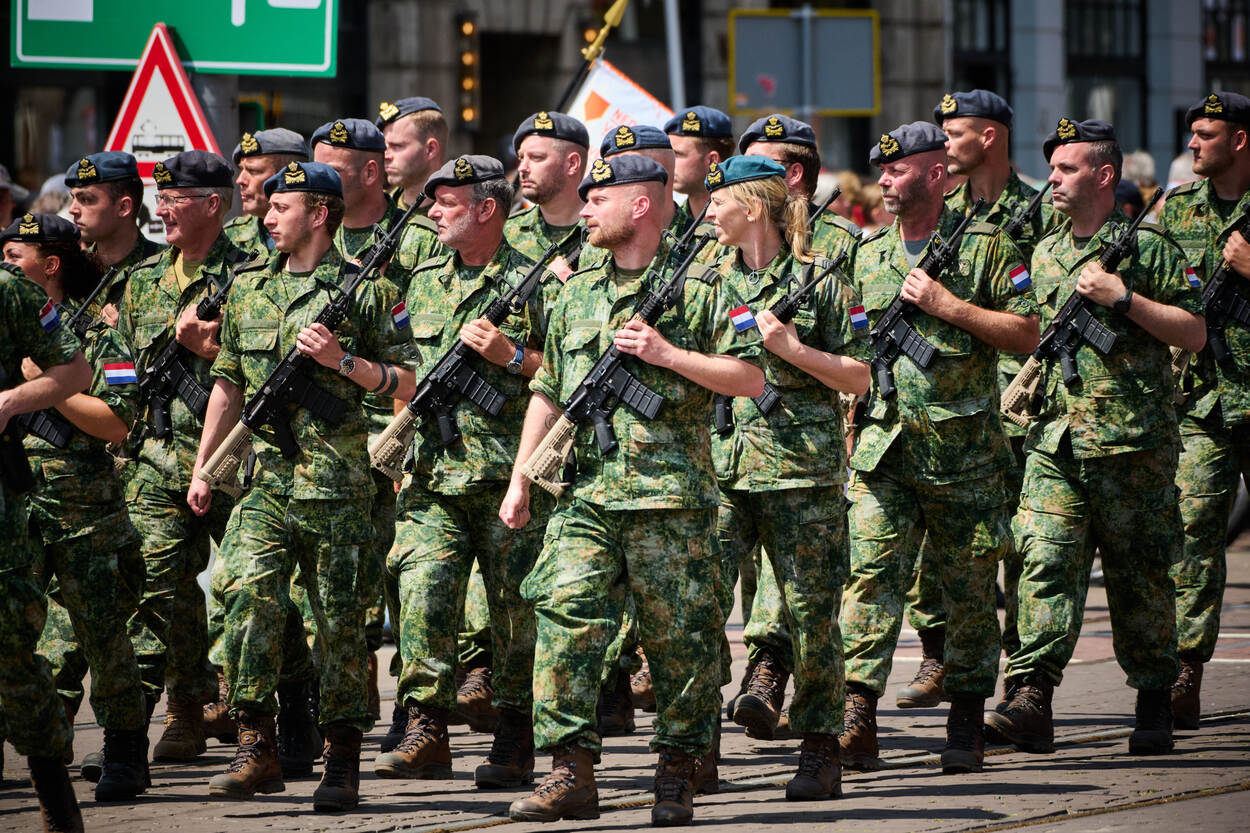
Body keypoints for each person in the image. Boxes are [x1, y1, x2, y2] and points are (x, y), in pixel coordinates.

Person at [499, 154, 764, 826]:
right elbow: (549, 389)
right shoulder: (575, 290)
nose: (584, 208)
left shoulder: (706, 283)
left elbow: (752, 377)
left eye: (598, 198)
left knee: (680, 644)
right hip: (586, 495)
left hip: (671, 500)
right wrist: (522, 475)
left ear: (640, 205)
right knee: (562, 621)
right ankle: (570, 771)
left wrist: (667, 354)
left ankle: (677, 769)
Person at [187, 160, 418, 810]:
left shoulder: (367, 291)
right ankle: (256, 740)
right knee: (248, 595)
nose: (264, 216)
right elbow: (227, 384)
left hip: (338, 488)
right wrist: (207, 467)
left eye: (279, 208)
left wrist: (341, 362)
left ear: (318, 213)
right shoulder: (249, 290)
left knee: (340, 624)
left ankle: (341, 754)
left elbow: (410, 381)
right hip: (265, 484)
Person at [986, 118, 1205, 757]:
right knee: (1043, 565)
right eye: (1051, 168)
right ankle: (1031, 697)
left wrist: (1124, 298)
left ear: (1104, 176)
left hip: (1134, 445)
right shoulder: (1046, 252)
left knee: (1141, 579)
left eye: (1067, 168)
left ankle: (1152, 700)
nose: (1052, 178)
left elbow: (1193, 333)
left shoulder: (1151, 249)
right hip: (1057, 445)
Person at [838, 121, 1039, 775]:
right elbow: (858, 349)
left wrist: (952, 308)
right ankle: (857, 715)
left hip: (963, 451)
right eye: (882, 172)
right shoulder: (868, 256)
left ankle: (965, 722)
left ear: (935, 173)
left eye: (899, 171)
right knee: (868, 579)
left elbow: (1029, 332)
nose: (886, 181)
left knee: (970, 588)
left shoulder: (985, 246)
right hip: (884, 449)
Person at [374, 155, 560, 791]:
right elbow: (407, 370)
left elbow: (568, 378)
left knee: (514, 613)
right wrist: (397, 449)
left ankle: (515, 734)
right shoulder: (423, 281)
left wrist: (513, 356)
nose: (432, 212)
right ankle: (426, 724)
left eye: (446, 202)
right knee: (423, 597)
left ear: (486, 208)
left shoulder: (538, 283)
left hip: (510, 476)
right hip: (433, 477)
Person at [704, 155, 870, 799]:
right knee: (700, 611)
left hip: (801, 472)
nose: (709, 210)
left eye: (720, 200)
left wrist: (793, 351)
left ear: (751, 207)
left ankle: (821, 747)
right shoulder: (705, 281)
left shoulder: (822, 280)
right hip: (719, 469)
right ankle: (698, 748)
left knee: (811, 615)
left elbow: (860, 376)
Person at [896, 90, 1058, 714]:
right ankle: (940, 654)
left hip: (1037, 402)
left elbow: (1043, 308)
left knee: (1023, 548)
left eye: (954, 131)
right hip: (959, 406)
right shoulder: (946, 212)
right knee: (946, 551)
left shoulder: (1039, 211)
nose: (944, 140)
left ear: (987, 137)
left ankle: (1023, 680)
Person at [116, 149, 263, 763]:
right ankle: (176, 711)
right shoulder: (144, 280)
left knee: (250, 589)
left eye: (175, 199)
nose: (163, 209)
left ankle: (270, 704)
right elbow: (119, 366)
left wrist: (211, 353)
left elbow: (271, 370)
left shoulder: (254, 275)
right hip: (154, 459)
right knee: (156, 590)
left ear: (213, 204)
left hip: (233, 461)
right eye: (161, 197)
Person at [0, 212, 150, 803]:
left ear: (50, 264)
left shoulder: (101, 335)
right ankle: (43, 751)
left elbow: (116, 423)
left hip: (84, 510)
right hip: (19, 503)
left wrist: (48, 385)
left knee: (103, 633)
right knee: (21, 637)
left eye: (16, 255)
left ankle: (124, 750)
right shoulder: (7, 325)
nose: (7, 264)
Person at [1159, 91, 1250, 731]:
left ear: (1240, 141)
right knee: (1192, 532)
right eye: (1192, 133)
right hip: (1204, 400)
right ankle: (1184, 671)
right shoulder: (1178, 210)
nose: (1193, 144)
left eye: (1206, 134)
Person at [0, 258, 92, 830]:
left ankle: (54, 791)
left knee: (9, 646)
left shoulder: (9, 293)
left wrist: (10, 401)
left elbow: (76, 371)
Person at [65, 151, 165, 324]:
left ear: (123, 207)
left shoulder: (164, 267)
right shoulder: (69, 270)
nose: (73, 209)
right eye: (73, 198)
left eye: (86, 199)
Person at [505, 110, 591, 282]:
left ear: (572, 164)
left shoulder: (608, 235)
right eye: (521, 158)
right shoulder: (506, 233)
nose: (522, 168)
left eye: (536, 157)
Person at [224, 128, 310, 253]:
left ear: (288, 176)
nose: (240, 180)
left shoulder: (321, 233)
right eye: (241, 169)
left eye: (254, 171)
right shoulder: (232, 235)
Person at [663, 106, 736, 232]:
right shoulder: (669, 224)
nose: (669, 163)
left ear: (712, 160)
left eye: (678, 154)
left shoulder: (742, 223)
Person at [376, 97, 448, 210]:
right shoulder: (377, 211)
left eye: (397, 146)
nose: (386, 156)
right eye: (384, 147)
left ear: (430, 149)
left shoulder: (463, 216)